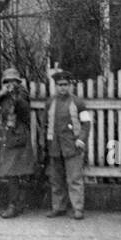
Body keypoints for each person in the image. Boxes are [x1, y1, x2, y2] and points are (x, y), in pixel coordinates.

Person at [0, 67, 36, 218]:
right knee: (12, 173)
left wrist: (16, 97)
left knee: (16, 173)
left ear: (18, 82)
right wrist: (1, 93)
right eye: (7, 81)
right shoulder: (4, 95)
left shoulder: (22, 94)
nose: (10, 84)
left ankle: (14, 205)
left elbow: (25, 109)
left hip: (19, 136)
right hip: (8, 136)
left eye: (13, 81)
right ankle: (16, 204)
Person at [45, 69, 92, 220]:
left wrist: (81, 139)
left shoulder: (78, 102)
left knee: (74, 179)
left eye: (65, 84)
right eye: (59, 85)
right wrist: (44, 142)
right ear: (55, 86)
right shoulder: (50, 102)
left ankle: (78, 209)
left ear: (70, 85)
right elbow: (45, 124)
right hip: (55, 147)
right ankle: (58, 208)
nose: (62, 88)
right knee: (56, 179)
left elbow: (86, 123)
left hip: (72, 146)